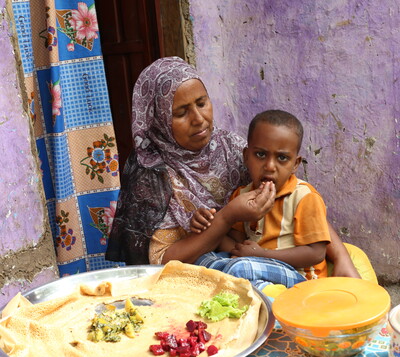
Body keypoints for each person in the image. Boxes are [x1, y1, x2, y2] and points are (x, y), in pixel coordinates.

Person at [106, 56, 361, 282]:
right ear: (158, 119)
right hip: (193, 272)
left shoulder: (228, 147)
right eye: (181, 112)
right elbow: (161, 262)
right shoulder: (150, 174)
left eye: (202, 103)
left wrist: (340, 256)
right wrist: (225, 218)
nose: (198, 119)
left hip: (250, 258)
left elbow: (294, 196)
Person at [191, 110, 331, 287]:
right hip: (254, 266)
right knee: (202, 261)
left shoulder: (304, 197)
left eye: (282, 158)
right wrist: (209, 225)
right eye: (260, 155)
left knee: (240, 269)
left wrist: (262, 254)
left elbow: (316, 253)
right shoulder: (242, 196)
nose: (270, 166)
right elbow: (235, 245)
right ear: (246, 156)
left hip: (300, 277)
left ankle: (257, 296)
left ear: (295, 164)